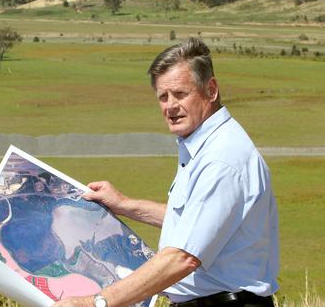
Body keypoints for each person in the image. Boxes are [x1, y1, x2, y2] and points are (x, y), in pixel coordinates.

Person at [54, 37, 279, 307]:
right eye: (163, 96)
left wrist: (98, 302)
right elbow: (198, 221)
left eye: (180, 94)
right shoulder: (207, 146)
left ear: (211, 89)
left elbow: (183, 257)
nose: (170, 106)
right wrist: (125, 205)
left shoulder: (221, 159)